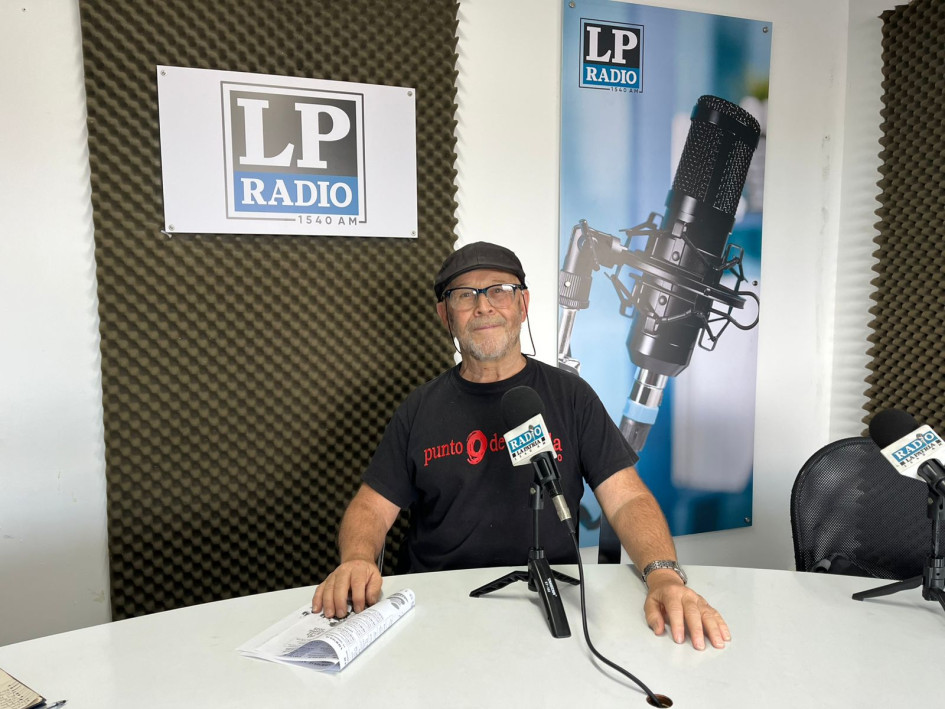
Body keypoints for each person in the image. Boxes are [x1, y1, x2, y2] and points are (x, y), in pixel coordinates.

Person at [312, 241, 731, 650]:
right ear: (445, 315)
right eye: (464, 295)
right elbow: (370, 507)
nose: (484, 306)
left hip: (550, 597)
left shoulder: (571, 396)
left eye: (500, 290)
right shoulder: (419, 409)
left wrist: (663, 575)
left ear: (523, 304)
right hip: (441, 603)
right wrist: (357, 560)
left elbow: (626, 499)